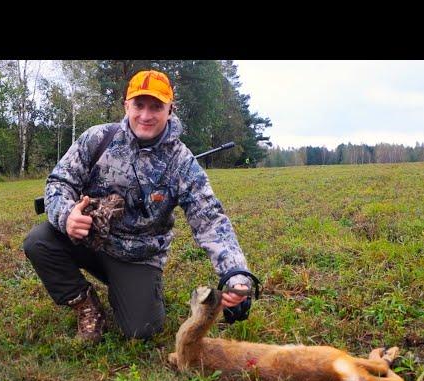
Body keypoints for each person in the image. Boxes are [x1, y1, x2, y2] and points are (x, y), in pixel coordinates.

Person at [23, 70, 252, 343]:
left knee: (141, 329)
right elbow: (59, 182)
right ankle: (86, 306)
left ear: (170, 110)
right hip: (89, 242)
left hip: (137, 257)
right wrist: (66, 215)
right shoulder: (97, 139)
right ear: (126, 105)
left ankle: (131, 289)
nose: (146, 115)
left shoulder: (182, 162)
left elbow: (210, 220)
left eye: (156, 106)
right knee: (39, 241)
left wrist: (235, 274)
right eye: (139, 105)